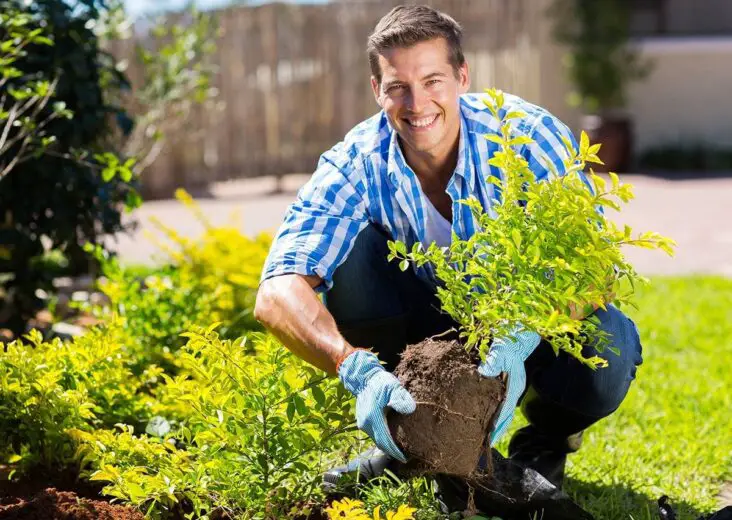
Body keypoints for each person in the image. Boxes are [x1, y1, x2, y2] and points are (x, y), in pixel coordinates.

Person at [254, 4, 643, 489]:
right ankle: (407, 433)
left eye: (433, 80)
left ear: (462, 76)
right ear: (377, 91)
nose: (417, 105)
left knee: (610, 345)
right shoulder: (354, 162)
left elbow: (594, 266)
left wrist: (526, 331)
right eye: (398, 87)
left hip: (522, 322)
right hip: (419, 334)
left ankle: (544, 439)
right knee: (348, 258)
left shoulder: (523, 135)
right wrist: (350, 365)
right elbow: (276, 291)